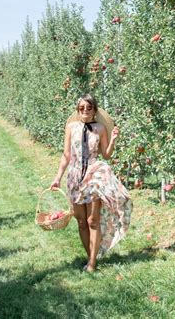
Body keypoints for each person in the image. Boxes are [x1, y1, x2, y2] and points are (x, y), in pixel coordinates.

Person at [51, 93, 132, 272]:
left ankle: (93, 264)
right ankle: (90, 257)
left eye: (89, 108)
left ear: (94, 110)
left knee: (92, 220)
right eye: (81, 108)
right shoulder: (71, 127)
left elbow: (106, 154)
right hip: (74, 176)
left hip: (94, 176)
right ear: (77, 110)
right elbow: (66, 155)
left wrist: (113, 140)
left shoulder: (101, 128)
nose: (85, 111)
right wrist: (57, 178)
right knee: (81, 221)